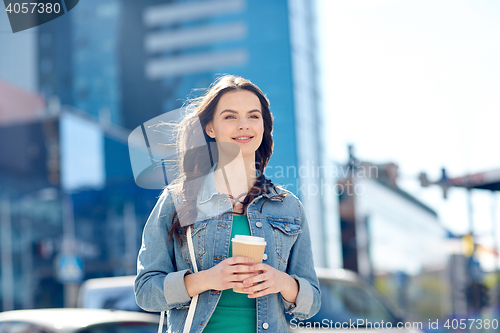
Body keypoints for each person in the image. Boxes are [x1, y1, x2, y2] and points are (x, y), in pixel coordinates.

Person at [134, 75, 321, 333]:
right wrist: (206, 279)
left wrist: (283, 283)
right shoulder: (178, 199)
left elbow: (312, 302)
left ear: (264, 127)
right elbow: (145, 292)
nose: (243, 125)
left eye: (254, 116)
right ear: (210, 128)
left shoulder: (289, 207)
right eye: (230, 117)